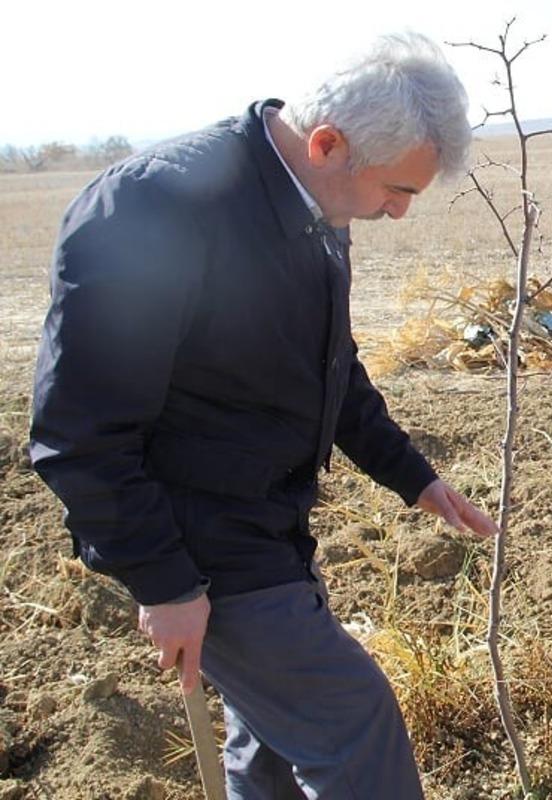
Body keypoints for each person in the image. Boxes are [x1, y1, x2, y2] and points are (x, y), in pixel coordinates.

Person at [29, 33, 495, 799]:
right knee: (354, 724)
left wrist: (414, 478)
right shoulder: (152, 210)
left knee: (274, 749)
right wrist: (166, 584)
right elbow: (79, 435)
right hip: (196, 539)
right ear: (326, 143)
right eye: (398, 191)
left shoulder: (318, 204)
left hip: (271, 525)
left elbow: (330, 367)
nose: (400, 213)